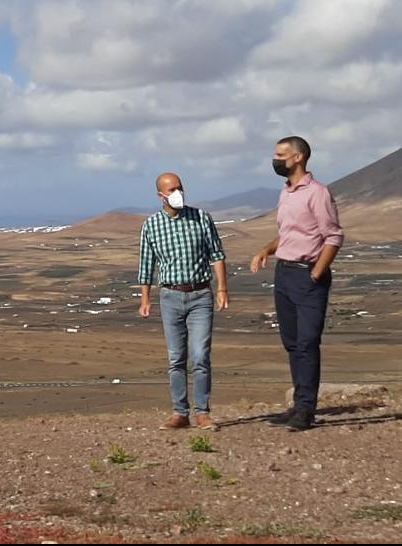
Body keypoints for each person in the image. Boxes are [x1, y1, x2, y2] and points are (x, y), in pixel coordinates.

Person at [251, 136, 344, 432]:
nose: (276, 160)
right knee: (292, 343)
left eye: (281, 154)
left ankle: (306, 410)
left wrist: (317, 271)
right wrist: (267, 249)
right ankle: (299, 404)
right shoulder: (286, 192)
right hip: (284, 273)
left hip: (307, 275)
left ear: (298, 158)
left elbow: (333, 236)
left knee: (307, 342)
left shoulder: (317, 193)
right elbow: (291, 233)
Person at [138, 173, 230, 430]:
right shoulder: (151, 226)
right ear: (161, 195)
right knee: (176, 358)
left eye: (180, 188)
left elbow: (217, 255)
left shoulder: (201, 218)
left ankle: (202, 412)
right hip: (170, 296)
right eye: (172, 189)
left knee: (200, 355)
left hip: (200, 294)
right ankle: (180, 412)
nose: (178, 193)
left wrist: (222, 288)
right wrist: (145, 298)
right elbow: (146, 265)